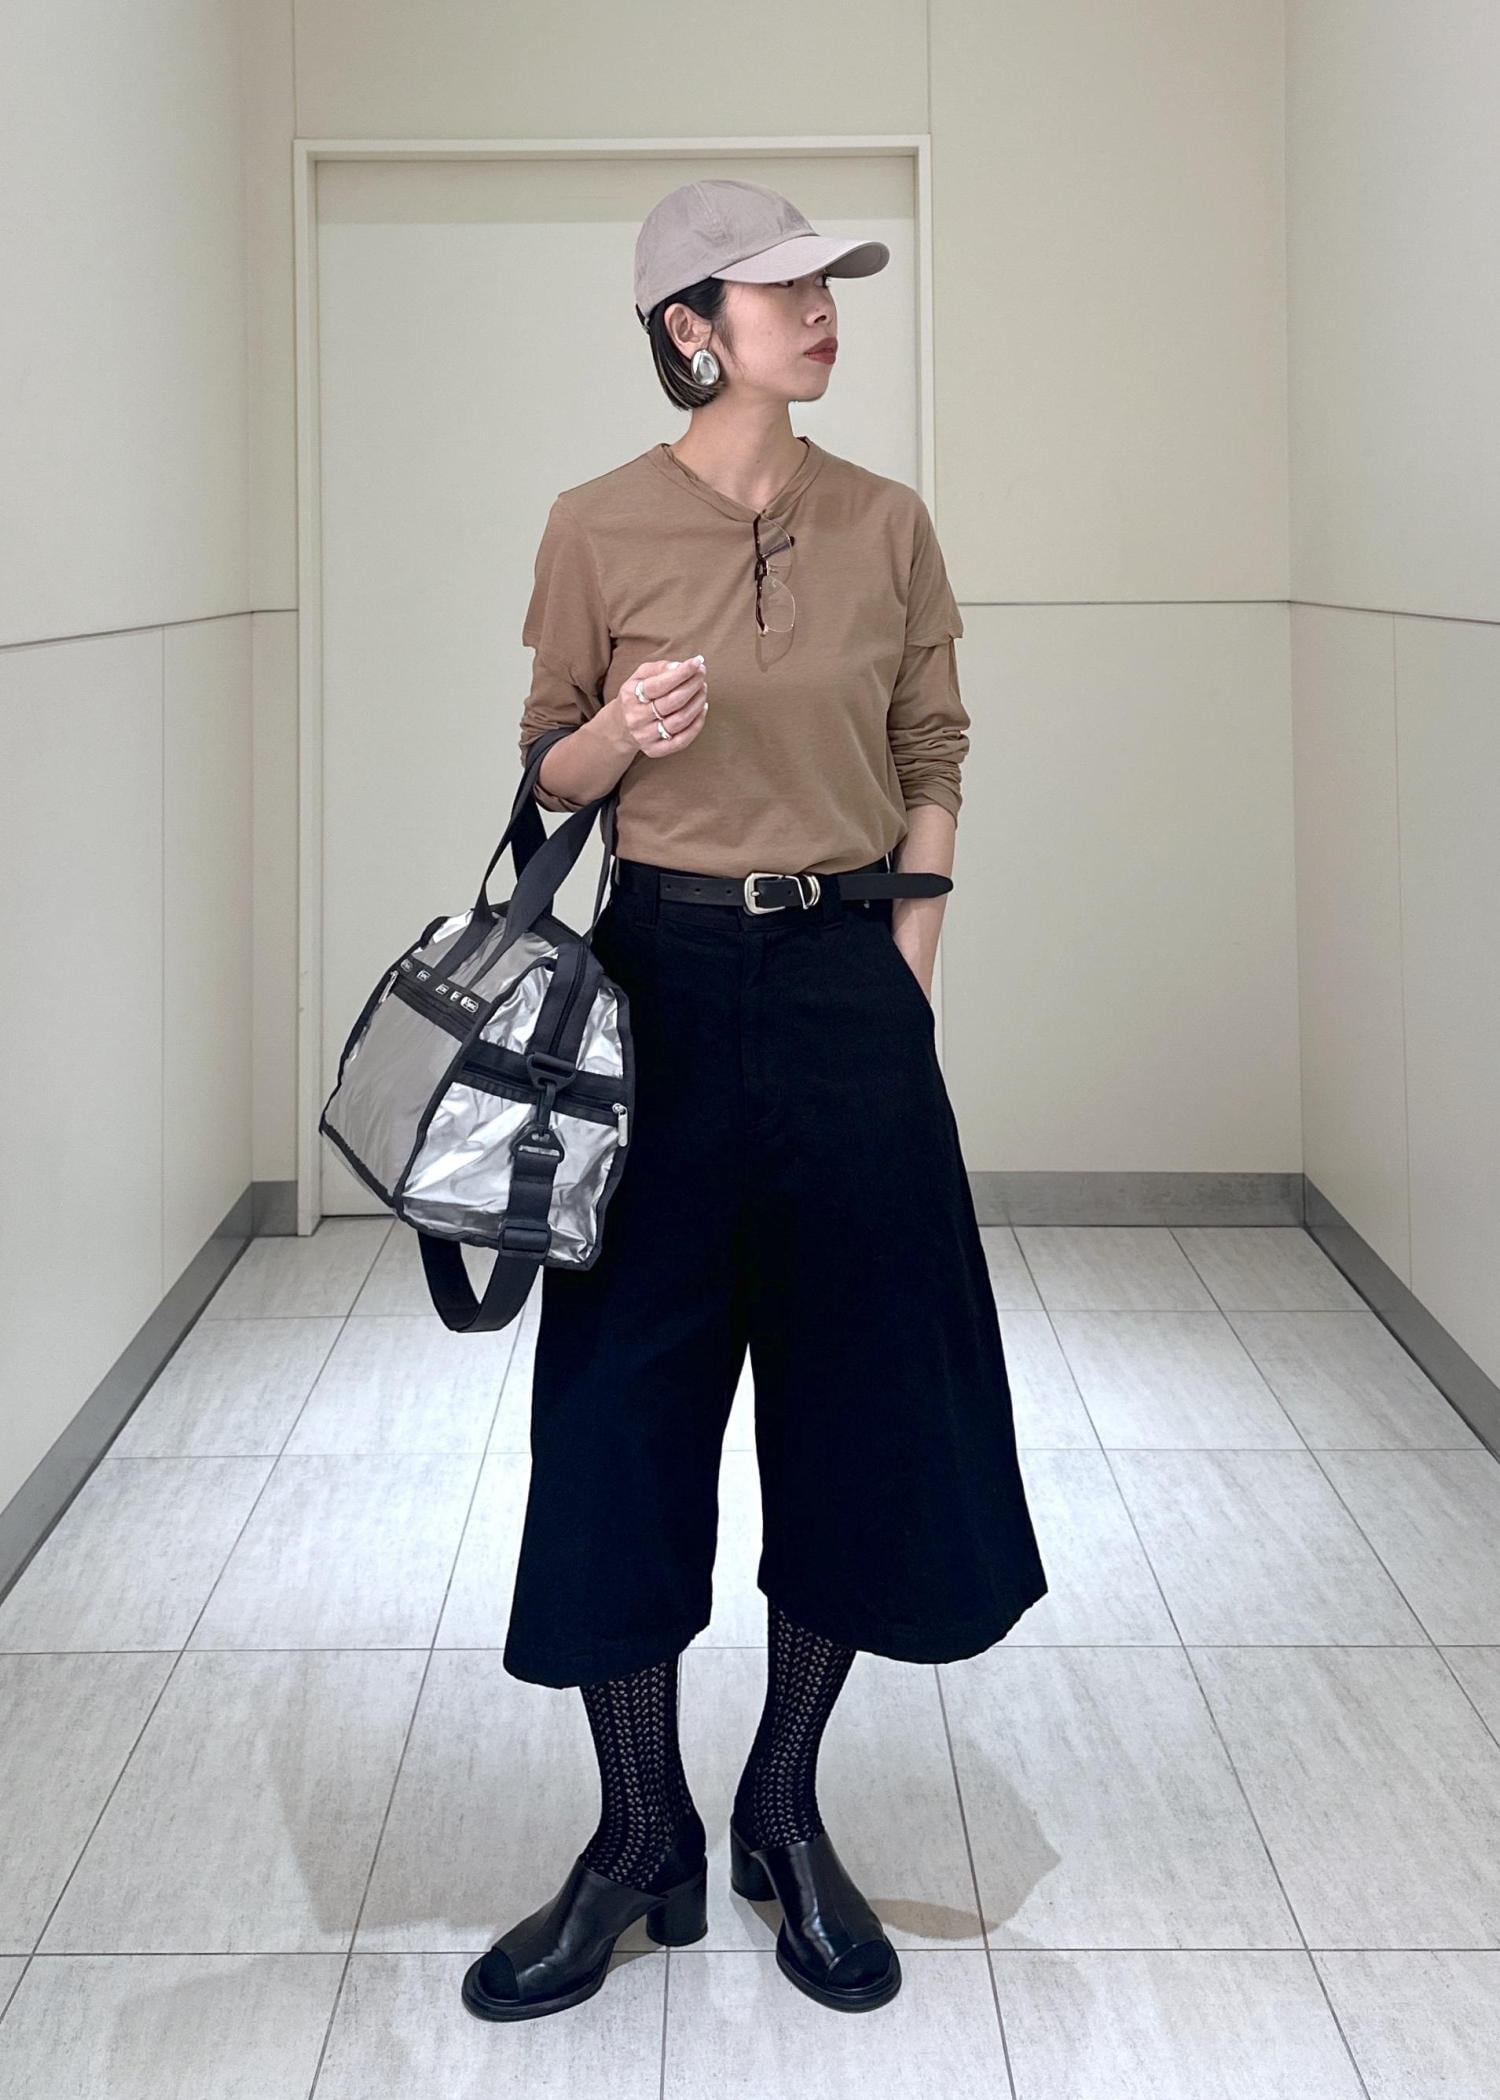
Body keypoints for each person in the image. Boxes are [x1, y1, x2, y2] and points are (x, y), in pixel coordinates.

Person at [463, 177, 1048, 2026]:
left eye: (829, 285)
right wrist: (614, 736)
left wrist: (910, 962)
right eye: (783, 287)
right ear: (691, 328)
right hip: (654, 989)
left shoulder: (887, 522)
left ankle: (782, 1807)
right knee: (620, 1415)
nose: (822, 308)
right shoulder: (596, 523)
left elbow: (934, 747)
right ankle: (639, 1830)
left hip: (849, 990)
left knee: (859, 1404)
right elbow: (545, 771)